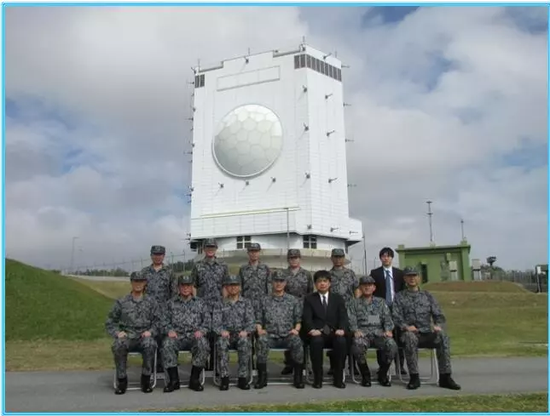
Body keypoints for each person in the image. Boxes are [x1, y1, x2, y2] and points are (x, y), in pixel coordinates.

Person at [392, 266, 461, 391]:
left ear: (419, 278)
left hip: (427, 333)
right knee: (409, 337)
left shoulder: (427, 296)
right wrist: (406, 327)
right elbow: (396, 317)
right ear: (405, 279)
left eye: (414, 275)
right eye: (409, 276)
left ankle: (445, 377)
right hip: (409, 334)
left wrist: (438, 326)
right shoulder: (399, 297)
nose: (412, 278)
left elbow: (439, 315)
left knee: (443, 337)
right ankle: (414, 377)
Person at [105, 272, 160, 395]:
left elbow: (158, 322)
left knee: (150, 344)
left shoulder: (151, 302)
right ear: (131, 283)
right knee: (118, 345)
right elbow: (110, 321)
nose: (138, 284)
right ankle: (122, 380)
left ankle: (146, 379)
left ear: (145, 283)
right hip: (128, 336)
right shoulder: (122, 302)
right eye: (135, 281)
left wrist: (150, 332)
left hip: (144, 336)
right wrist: (117, 332)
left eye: (141, 281)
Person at [255, 271, 305, 389]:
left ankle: (298, 377)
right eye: (276, 281)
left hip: (287, 335)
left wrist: (296, 330)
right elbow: (258, 319)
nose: (278, 283)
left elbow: (298, 320)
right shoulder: (264, 300)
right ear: (272, 282)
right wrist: (259, 330)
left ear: (285, 283)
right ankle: (262, 377)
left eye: (281, 281)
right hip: (270, 336)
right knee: (261, 341)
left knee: (297, 341)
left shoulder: (293, 300)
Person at [161, 275, 210, 393]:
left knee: (203, 343)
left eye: (188, 285)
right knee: (167, 344)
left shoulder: (200, 303)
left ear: (192, 287)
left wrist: (202, 331)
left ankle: (194, 379)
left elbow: (208, 321)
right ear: (178, 287)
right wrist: (169, 330)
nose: (185, 288)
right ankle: (174, 380)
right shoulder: (170, 303)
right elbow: (163, 321)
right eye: (183, 285)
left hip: (194, 336)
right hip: (177, 336)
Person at [302, 270, 349, 389]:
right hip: (318, 333)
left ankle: (338, 378)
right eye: (319, 281)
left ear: (329, 283)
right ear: (315, 284)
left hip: (334, 332)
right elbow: (307, 318)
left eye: (325, 281)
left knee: (341, 341)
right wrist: (312, 329)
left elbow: (343, 316)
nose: (322, 284)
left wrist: (342, 329)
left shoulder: (338, 299)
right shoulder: (309, 299)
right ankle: (318, 378)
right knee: (316, 341)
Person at [348, 275, 397, 387]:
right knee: (357, 345)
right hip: (363, 334)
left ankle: (383, 374)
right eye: (364, 285)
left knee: (392, 345)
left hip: (379, 334)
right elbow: (351, 319)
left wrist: (388, 330)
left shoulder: (380, 302)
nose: (367, 287)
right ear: (360, 287)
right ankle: (365, 375)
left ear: (374, 288)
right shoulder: (353, 303)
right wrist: (355, 330)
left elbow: (387, 318)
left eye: (369, 285)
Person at [190, 238, 230, 370]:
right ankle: (203, 362)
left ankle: (214, 363)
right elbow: (194, 285)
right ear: (204, 249)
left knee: (217, 335)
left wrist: (224, 303)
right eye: (208, 247)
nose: (210, 249)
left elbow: (225, 285)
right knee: (203, 334)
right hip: (203, 306)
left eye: (213, 247)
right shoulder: (198, 266)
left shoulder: (223, 265)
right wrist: (195, 302)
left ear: (216, 249)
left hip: (218, 306)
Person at [212, 275, 255, 391]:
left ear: (240, 287)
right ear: (226, 287)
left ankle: (243, 377)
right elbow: (215, 323)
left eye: (235, 285)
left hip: (241, 335)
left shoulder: (246, 303)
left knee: (245, 342)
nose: (233, 288)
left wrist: (246, 331)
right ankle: (224, 378)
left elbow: (251, 322)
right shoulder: (219, 303)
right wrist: (221, 331)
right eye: (230, 285)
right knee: (221, 343)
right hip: (226, 336)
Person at [141, 245, 178, 373]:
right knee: (151, 338)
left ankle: (165, 366)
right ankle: (150, 366)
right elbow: (141, 291)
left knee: (165, 338)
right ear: (151, 255)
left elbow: (174, 293)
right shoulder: (144, 272)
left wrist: (172, 310)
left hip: (165, 310)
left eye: (160, 255)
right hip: (149, 311)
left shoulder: (170, 272)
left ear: (164, 256)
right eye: (155, 254)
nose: (158, 257)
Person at [370, 247, 406, 375]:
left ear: (392, 258)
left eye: (388, 256)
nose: (386, 258)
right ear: (380, 258)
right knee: (381, 336)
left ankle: (400, 365)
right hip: (381, 309)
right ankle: (382, 365)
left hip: (396, 308)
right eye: (383, 256)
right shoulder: (374, 273)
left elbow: (402, 291)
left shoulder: (399, 273)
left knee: (398, 335)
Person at [280, 248, 314, 375]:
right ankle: (289, 363)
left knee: (304, 337)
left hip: (303, 308)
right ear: (288, 259)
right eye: (291, 258)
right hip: (286, 309)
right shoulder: (283, 274)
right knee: (288, 335)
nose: (293, 260)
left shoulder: (306, 274)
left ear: (300, 259)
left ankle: (304, 363)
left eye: (296, 257)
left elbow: (310, 292)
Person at [328, 248, 359, 376]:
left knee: (351, 338)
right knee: (334, 336)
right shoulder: (328, 275)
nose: (338, 259)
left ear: (343, 258)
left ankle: (353, 365)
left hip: (349, 310)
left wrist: (357, 304)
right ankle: (334, 365)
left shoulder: (350, 273)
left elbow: (356, 289)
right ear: (332, 258)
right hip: (334, 311)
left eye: (340, 257)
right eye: (335, 257)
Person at [238, 242, 272, 314]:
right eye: (252, 251)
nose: (254, 254)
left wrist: (269, 302)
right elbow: (240, 287)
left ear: (259, 252)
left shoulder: (265, 268)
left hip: (262, 303)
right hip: (247, 304)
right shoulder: (243, 269)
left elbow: (269, 286)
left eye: (256, 251)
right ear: (248, 253)